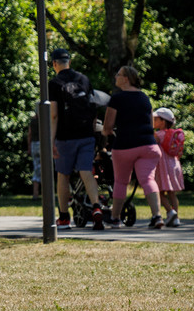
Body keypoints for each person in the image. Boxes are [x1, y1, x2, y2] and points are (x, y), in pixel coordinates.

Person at [47, 49, 103, 230]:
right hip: (87, 134)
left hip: (65, 137)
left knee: (63, 174)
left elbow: (54, 115)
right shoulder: (84, 79)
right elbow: (93, 108)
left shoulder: (54, 84)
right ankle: (96, 207)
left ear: (55, 64)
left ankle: (64, 217)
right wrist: (93, 133)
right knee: (86, 171)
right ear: (69, 61)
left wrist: (51, 141)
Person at [103, 66, 165, 229]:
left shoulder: (116, 99)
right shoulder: (144, 98)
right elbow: (150, 124)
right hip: (148, 146)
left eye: (119, 74)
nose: (116, 76)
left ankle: (115, 218)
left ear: (126, 79)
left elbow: (107, 127)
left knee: (121, 182)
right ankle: (157, 216)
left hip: (125, 146)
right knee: (148, 180)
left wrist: (106, 133)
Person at [153, 107, 186, 227]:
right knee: (172, 193)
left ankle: (170, 211)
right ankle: (176, 217)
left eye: (155, 119)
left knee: (158, 192)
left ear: (162, 121)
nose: (153, 121)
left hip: (163, 167)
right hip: (174, 165)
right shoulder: (172, 135)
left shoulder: (158, 134)